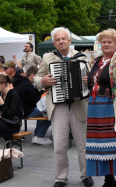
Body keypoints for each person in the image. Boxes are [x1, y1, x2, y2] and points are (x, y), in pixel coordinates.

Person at [34, 27, 93, 187]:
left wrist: (89, 81)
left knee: (83, 144)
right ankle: (60, 178)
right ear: (54, 42)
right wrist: (42, 81)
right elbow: (37, 78)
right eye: (58, 39)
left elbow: (90, 78)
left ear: (69, 41)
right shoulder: (48, 58)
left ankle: (86, 175)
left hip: (79, 105)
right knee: (59, 145)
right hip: (58, 106)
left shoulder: (81, 57)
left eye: (63, 38)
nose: (61, 41)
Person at [84, 28, 116, 187]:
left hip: (112, 106)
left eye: (109, 42)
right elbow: (96, 80)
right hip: (95, 107)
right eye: (103, 42)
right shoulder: (97, 60)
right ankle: (108, 179)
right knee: (100, 145)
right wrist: (89, 81)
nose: (106, 44)